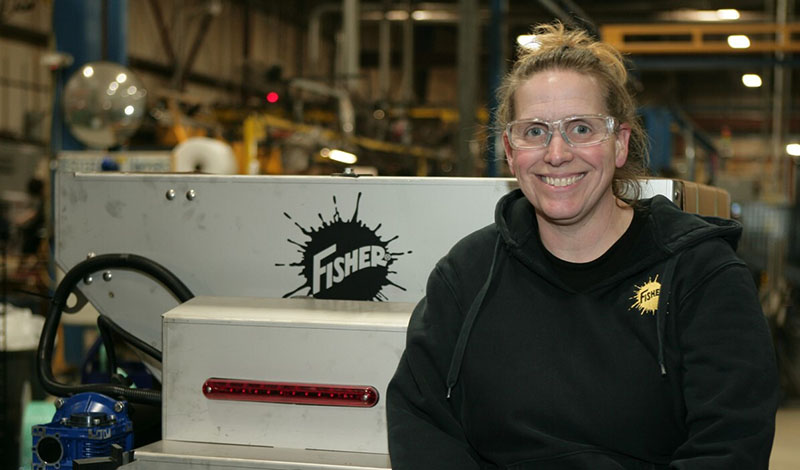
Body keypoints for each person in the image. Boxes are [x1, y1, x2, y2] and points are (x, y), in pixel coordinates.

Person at [386, 22, 779, 469]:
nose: (557, 153)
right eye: (534, 131)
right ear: (511, 153)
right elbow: (419, 420)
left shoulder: (701, 275)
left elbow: (731, 445)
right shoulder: (467, 275)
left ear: (619, 144)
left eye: (580, 128)